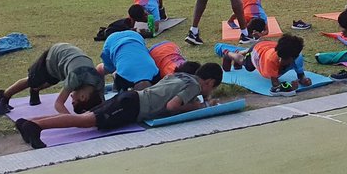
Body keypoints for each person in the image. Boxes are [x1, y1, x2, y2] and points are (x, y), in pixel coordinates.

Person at [15, 64, 223, 149]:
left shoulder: (180, 75)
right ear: (210, 82)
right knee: (86, 121)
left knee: (86, 117)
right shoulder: (194, 86)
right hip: (132, 107)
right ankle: (36, 127)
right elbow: (171, 106)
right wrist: (197, 107)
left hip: (130, 98)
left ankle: (29, 123)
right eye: (211, 89)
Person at [0, 43, 105, 114]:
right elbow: (58, 104)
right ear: (83, 97)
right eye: (73, 100)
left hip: (65, 61)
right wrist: (71, 119)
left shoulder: (98, 82)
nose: (71, 97)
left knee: (51, 80)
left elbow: (102, 103)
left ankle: (35, 90)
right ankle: (5, 96)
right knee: (32, 80)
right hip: (54, 55)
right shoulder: (75, 78)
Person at [218, 34, 310, 94]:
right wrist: (290, 87)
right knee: (247, 65)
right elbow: (276, 86)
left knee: (245, 59)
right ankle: (229, 54)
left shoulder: (297, 58)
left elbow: (301, 76)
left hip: (268, 46)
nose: (282, 61)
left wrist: (304, 80)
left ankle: (243, 51)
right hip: (258, 51)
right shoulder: (271, 61)